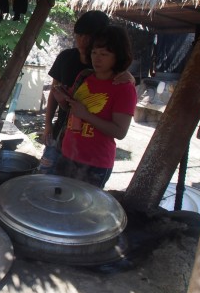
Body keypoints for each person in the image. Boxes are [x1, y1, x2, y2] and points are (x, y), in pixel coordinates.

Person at [39, 10, 133, 174]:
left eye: (88, 36)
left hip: (92, 155)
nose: (82, 41)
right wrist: (48, 124)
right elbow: (61, 99)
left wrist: (130, 77)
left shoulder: (114, 76)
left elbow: (119, 129)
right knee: (47, 178)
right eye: (79, 35)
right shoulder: (75, 66)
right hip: (64, 134)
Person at [54, 25, 137, 188]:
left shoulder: (124, 87)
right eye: (94, 52)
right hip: (68, 154)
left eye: (104, 54)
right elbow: (72, 111)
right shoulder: (84, 76)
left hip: (94, 164)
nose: (97, 59)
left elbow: (120, 132)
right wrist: (62, 101)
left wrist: (86, 115)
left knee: (82, 211)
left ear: (117, 56)